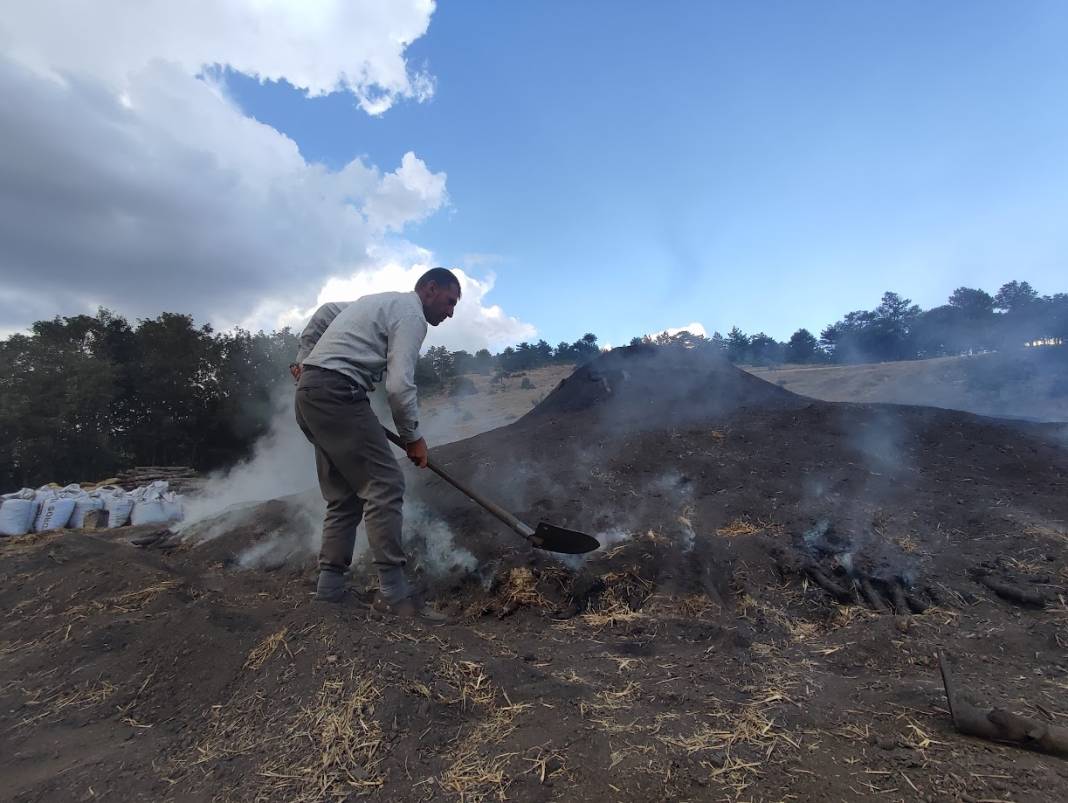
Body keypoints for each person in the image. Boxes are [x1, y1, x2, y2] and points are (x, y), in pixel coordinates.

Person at [293, 268, 461, 619]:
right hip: (339, 393)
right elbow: (399, 386)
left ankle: (330, 591)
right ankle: (394, 595)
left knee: (345, 494)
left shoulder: (377, 302)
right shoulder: (413, 315)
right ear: (430, 289)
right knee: (384, 484)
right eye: (449, 301)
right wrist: (413, 438)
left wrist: (303, 359)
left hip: (310, 396)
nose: (451, 312)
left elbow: (324, 312)